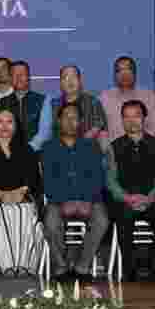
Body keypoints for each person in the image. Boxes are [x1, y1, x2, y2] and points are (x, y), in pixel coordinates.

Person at [41, 103, 110, 283]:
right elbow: (49, 180)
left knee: (101, 220)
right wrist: (65, 201)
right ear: (58, 121)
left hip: (90, 200)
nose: (70, 121)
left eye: (75, 118)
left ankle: (82, 267)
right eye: (66, 117)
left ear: (80, 122)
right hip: (58, 201)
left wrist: (86, 200)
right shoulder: (48, 147)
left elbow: (98, 178)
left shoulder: (92, 146)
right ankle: (61, 267)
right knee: (50, 221)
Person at [106, 100, 155, 282]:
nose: (131, 121)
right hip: (126, 200)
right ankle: (129, 271)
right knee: (123, 219)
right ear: (122, 120)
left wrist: (150, 198)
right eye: (126, 117)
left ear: (144, 119)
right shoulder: (113, 147)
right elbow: (111, 180)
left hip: (152, 198)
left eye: (136, 116)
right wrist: (127, 197)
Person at [0, 106, 43, 276]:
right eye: (0, 122)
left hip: (23, 197)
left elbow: (33, 179)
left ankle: (24, 266)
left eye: (9, 122)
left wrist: (21, 191)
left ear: (16, 125)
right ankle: (8, 266)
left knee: (25, 211)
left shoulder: (27, 150)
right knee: (0, 212)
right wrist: (1, 194)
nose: (5, 126)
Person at [49, 65, 109, 149]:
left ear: (80, 81)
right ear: (61, 83)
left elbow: (101, 128)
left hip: (88, 152)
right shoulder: (53, 105)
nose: (70, 81)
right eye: (65, 77)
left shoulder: (93, 102)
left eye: (73, 76)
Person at [100, 56, 155, 141]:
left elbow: (154, 127)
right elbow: (101, 130)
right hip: (113, 150)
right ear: (114, 75)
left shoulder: (148, 96)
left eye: (128, 69)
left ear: (135, 73)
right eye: (119, 70)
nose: (124, 74)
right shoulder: (104, 98)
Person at [0, 61, 51, 151]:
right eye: (15, 74)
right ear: (10, 79)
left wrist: (27, 149)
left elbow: (44, 133)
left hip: (35, 155)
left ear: (28, 77)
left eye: (22, 74)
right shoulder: (3, 102)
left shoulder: (43, 100)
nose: (18, 77)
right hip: (8, 154)